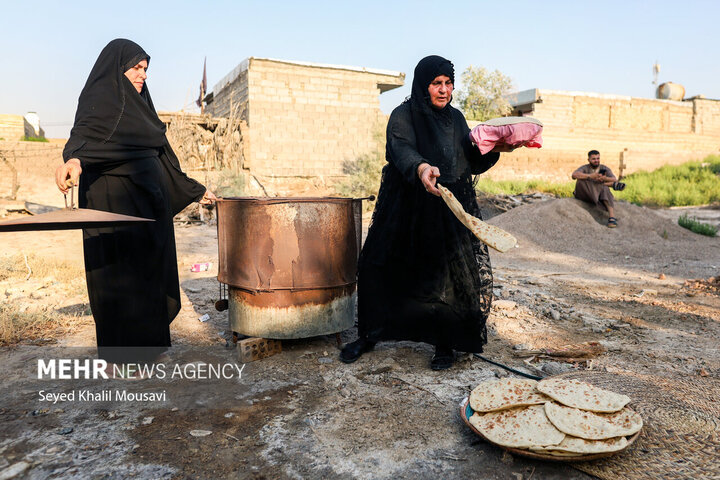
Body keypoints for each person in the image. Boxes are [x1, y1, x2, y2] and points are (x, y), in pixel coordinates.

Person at [340, 55, 514, 370]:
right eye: (437, 83)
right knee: (378, 265)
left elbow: (470, 160)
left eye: (448, 83)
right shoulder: (403, 115)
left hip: (447, 205)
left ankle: (444, 344)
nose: (444, 90)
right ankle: (369, 334)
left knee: (445, 275)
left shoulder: (457, 119)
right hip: (405, 203)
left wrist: (497, 149)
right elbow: (400, 148)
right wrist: (421, 167)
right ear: (424, 85)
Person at [55, 39, 216, 363]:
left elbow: (163, 157)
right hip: (114, 208)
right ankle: (123, 360)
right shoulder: (99, 100)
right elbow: (82, 141)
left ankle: (151, 350)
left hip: (149, 211)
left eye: (145, 69)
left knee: (150, 277)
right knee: (120, 282)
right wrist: (72, 162)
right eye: (136, 67)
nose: (142, 74)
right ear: (117, 69)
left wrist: (196, 190)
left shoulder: (143, 108)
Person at [571, 150, 625, 228]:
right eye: (594, 159)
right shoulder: (584, 168)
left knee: (604, 188)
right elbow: (574, 175)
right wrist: (590, 176)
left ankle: (612, 218)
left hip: (598, 193)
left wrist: (605, 178)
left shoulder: (604, 168)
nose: (596, 161)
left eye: (598, 158)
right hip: (585, 193)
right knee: (583, 179)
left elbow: (614, 179)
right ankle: (610, 185)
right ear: (589, 160)